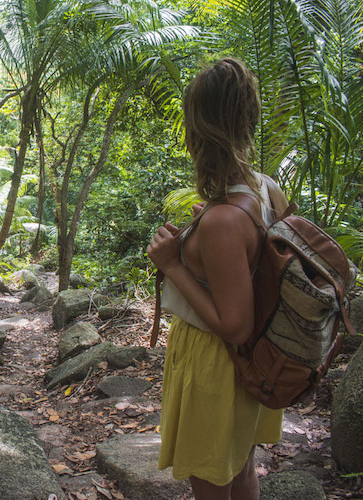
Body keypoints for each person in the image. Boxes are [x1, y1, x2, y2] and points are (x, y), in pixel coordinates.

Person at [146, 58, 284, 500]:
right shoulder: (265, 189)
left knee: (210, 481)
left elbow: (232, 324)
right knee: (240, 470)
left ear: (199, 128)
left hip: (216, 365)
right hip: (254, 359)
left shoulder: (223, 220)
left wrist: (173, 265)